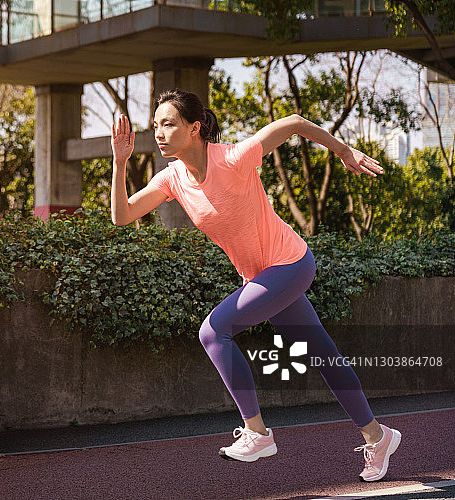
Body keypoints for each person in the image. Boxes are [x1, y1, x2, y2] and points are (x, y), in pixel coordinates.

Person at [109, 88, 401, 482]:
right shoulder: (173, 178)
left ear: (194, 128)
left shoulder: (233, 157)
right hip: (262, 278)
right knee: (323, 355)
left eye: (169, 124)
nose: (159, 133)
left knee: (213, 331)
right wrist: (119, 162)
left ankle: (258, 433)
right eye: (156, 125)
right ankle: (378, 436)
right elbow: (122, 216)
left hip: (290, 264)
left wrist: (344, 151)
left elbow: (294, 123)